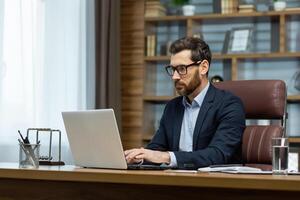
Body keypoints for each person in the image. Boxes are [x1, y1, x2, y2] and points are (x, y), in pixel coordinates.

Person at [125, 37, 245, 169]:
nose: (175, 77)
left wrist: (167, 157)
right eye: (173, 69)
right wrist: (139, 157)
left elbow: (218, 155)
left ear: (203, 67)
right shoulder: (173, 107)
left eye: (182, 69)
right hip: (176, 182)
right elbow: (156, 149)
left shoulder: (229, 105)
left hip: (215, 184)